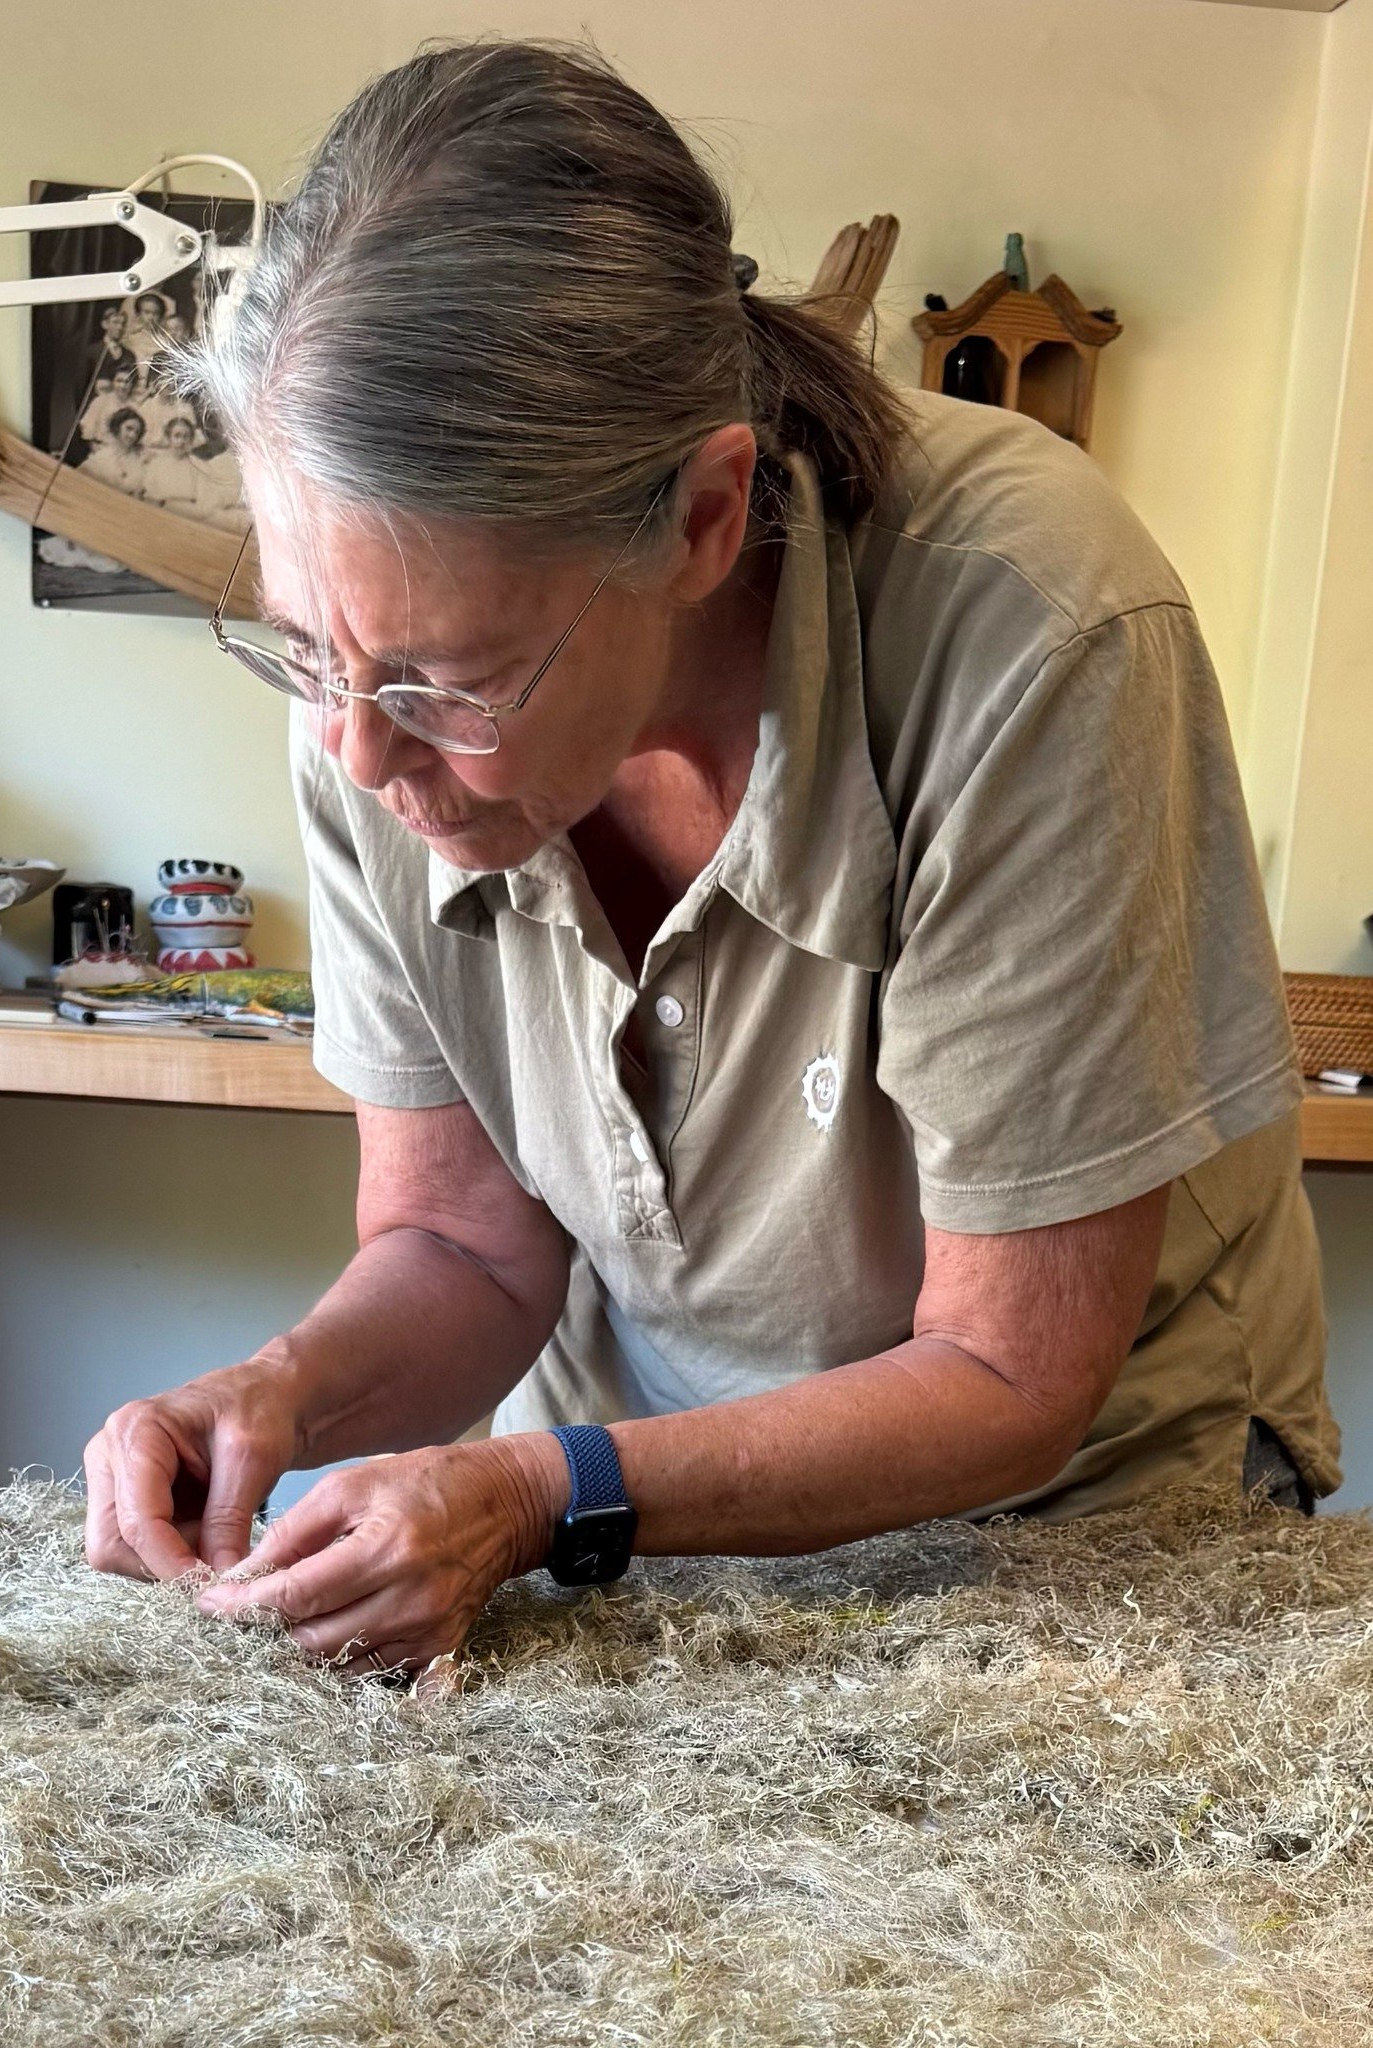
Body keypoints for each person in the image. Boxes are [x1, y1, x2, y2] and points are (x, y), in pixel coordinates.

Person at [84, 41, 1335, 1672]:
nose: (357, 755)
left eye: (449, 681)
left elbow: (1011, 1372)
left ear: (698, 516)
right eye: (308, 653)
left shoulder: (1033, 621)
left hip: (1071, 1528)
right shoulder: (370, 668)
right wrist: (280, 1388)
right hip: (616, 1510)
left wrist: (544, 1492)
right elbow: (462, 1243)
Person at [78, 406, 148, 494]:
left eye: (137, 432)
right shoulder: (101, 455)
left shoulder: (138, 463)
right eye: (129, 428)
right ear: (118, 427)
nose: (132, 435)